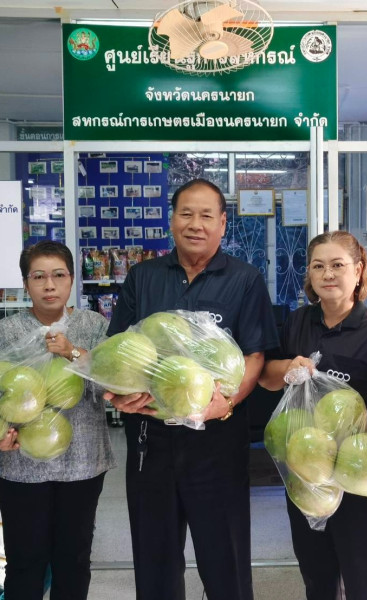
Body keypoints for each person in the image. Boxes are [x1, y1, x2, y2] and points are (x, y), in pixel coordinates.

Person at [104, 178, 279, 600]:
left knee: (225, 559)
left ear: (223, 224)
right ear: (171, 221)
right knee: (155, 561)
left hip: (217, 441)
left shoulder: (245, 279)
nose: (195, 224)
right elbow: (119, 349)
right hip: (151, 440)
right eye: (186, 213)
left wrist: (226, 403)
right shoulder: (143, 277)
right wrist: (118, 392)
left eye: (206, 215)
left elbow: (255, 354)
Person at [258, 230, 367, 600]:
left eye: (338, 265)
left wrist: (360, 454)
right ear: (309, 274)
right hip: (308, 472)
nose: (327, 274)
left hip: (362, 476)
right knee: (318, 578)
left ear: (358, 271)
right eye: (318, 266)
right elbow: (266, 376)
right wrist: (288, 368)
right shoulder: (297, 322)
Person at [0, 240, 116, 600]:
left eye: (58, 275)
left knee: (74, 560)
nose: (49, 285)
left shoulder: (93, 326)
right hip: (20, 467)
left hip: (82, 464)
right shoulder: (5, 332)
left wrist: (73, 352)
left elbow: (111, 385)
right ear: (26, 283)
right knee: (25, 561)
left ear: (72, 279)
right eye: (38, 277)